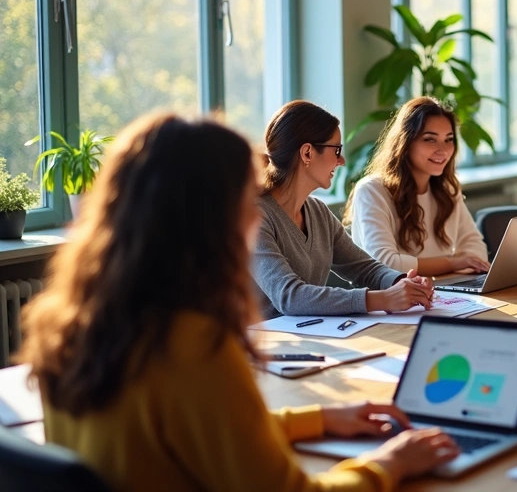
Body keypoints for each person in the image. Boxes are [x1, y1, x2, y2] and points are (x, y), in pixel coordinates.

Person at [20, 114, 458, 492]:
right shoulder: (193, 346)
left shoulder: (71, 326)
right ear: (206, 215)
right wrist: (389, 463)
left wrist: (317, 420)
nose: (253, 213)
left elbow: (208, 428)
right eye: (241, 199)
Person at [253, 100, 433, 319]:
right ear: (307, 153)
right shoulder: (253, 218)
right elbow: (290, 296)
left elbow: (364, 268)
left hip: (307, 337)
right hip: (260, 347)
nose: (342, 161)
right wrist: (383, 299)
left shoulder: (317, 211)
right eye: (336, 149)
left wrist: (403, 282)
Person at [346, 97, 489, 275]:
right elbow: (385, 263)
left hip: (444, 293)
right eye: (430, 139)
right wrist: (452, 263)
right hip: (393, 298)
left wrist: (454, 269)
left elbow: (475, 249)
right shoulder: (371, 191)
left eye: (449, 139)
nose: (443, 150)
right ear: (405, 142)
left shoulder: (447, 189)